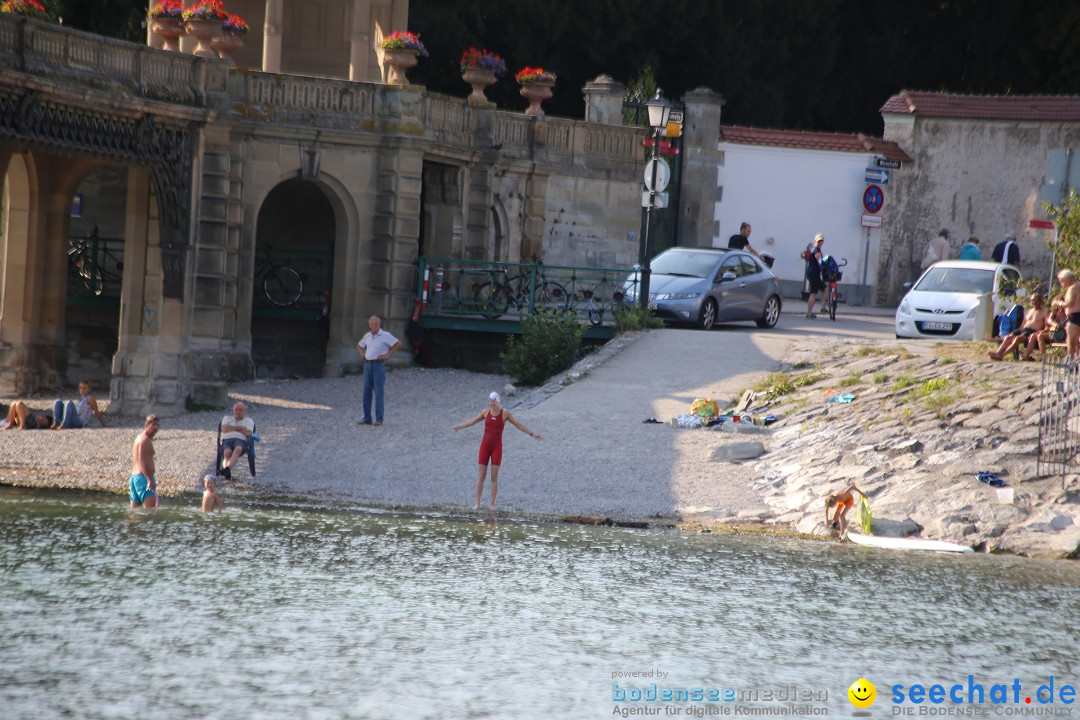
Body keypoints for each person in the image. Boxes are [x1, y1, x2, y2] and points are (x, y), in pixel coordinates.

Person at [452, 391, 542, 511]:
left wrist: (532, 434)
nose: (492, 403)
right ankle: (477, 503)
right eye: (490, 400)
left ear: (498, 401)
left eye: (494, 400)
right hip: (485, 446)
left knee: (494, 476)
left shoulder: (505, 414)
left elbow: (518, 425)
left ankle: (492, 504)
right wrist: (459, 426)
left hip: (496, 447)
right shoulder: (485, 412)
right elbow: (472, 421)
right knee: (481, 475)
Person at [357, 315, 401, 426]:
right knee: (366, 392)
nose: (374, 326)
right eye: (372, 324)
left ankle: (379, 419)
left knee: (378, 392)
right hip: (367, 365)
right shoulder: (367, 336)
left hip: (378, 365)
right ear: (369, 325)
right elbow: (359, 345)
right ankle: (367, 418)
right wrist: (363, 354)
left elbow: (398, 344)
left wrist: (388, 355)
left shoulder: (385, 336)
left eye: (376, 324)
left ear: (379, 325)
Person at [987, 293, 1048, 360]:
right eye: (1032, 300)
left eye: (1037, 300)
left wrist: (1041, 332)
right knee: (1008, 337)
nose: (1034, 302)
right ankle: (998, 353)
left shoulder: (1044, 312)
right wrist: (1018, 331)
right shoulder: (1029, 311)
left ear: (1040, 301)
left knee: (1017, 339)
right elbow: (1023, 324)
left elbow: (1046, 326)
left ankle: (1002, 355)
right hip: (1023, 330)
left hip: (1031, 332)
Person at [129, 415, 160, 509]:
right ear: (146, 425)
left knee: (135, 513)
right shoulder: (144, 440)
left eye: (157, 425)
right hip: (143, 478)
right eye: (153, 425)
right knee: (149, 513)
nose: (156, 428)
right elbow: (141, 461)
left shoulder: (139, 438)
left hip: (134, 478)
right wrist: (149, 480)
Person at [219, 401, 254, 479]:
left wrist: (231, 428)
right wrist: (240, 428)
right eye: (236, 410)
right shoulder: (227, 418)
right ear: (233, 410)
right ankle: (226, 470)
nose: (238, 412)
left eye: (240, 410)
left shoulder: (249, 421)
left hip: (241, 440)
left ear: (244, 411)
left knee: (238, 449)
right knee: (227, 453)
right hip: (227, 439)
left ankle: (225, 469)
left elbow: (248, 433)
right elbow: (224, 429)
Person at [1057, 270, 1080, 358]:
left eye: (1062, 281)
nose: (1062, 284)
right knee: (1076, 342)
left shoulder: (1072, 288)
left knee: (1070, 340)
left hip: (1074, 316)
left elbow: (1070, 303)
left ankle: (1071, 362)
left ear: (1069, 279)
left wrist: (1058, 303)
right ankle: (1076, 361)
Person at [804, 233, 827, 319]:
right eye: (818, 241)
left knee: (824, 288)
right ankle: (810, 313)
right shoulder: (816, 250)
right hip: (814, 274)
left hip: (812, 273)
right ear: (815, 241)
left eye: (821, 241)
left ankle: (822, 308)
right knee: (813, 293)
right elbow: (819, 260)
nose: (820, 242)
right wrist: (825, 266)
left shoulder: (814, 249)